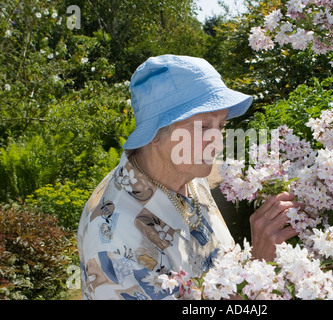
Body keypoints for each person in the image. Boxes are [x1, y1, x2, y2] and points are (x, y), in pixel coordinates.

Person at [77, 55, 301, 300]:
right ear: (154, 133)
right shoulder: (113, 241)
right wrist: (259, 268)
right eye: (204, 127)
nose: (218, 142)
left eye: (222, 125)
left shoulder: (190, 175)